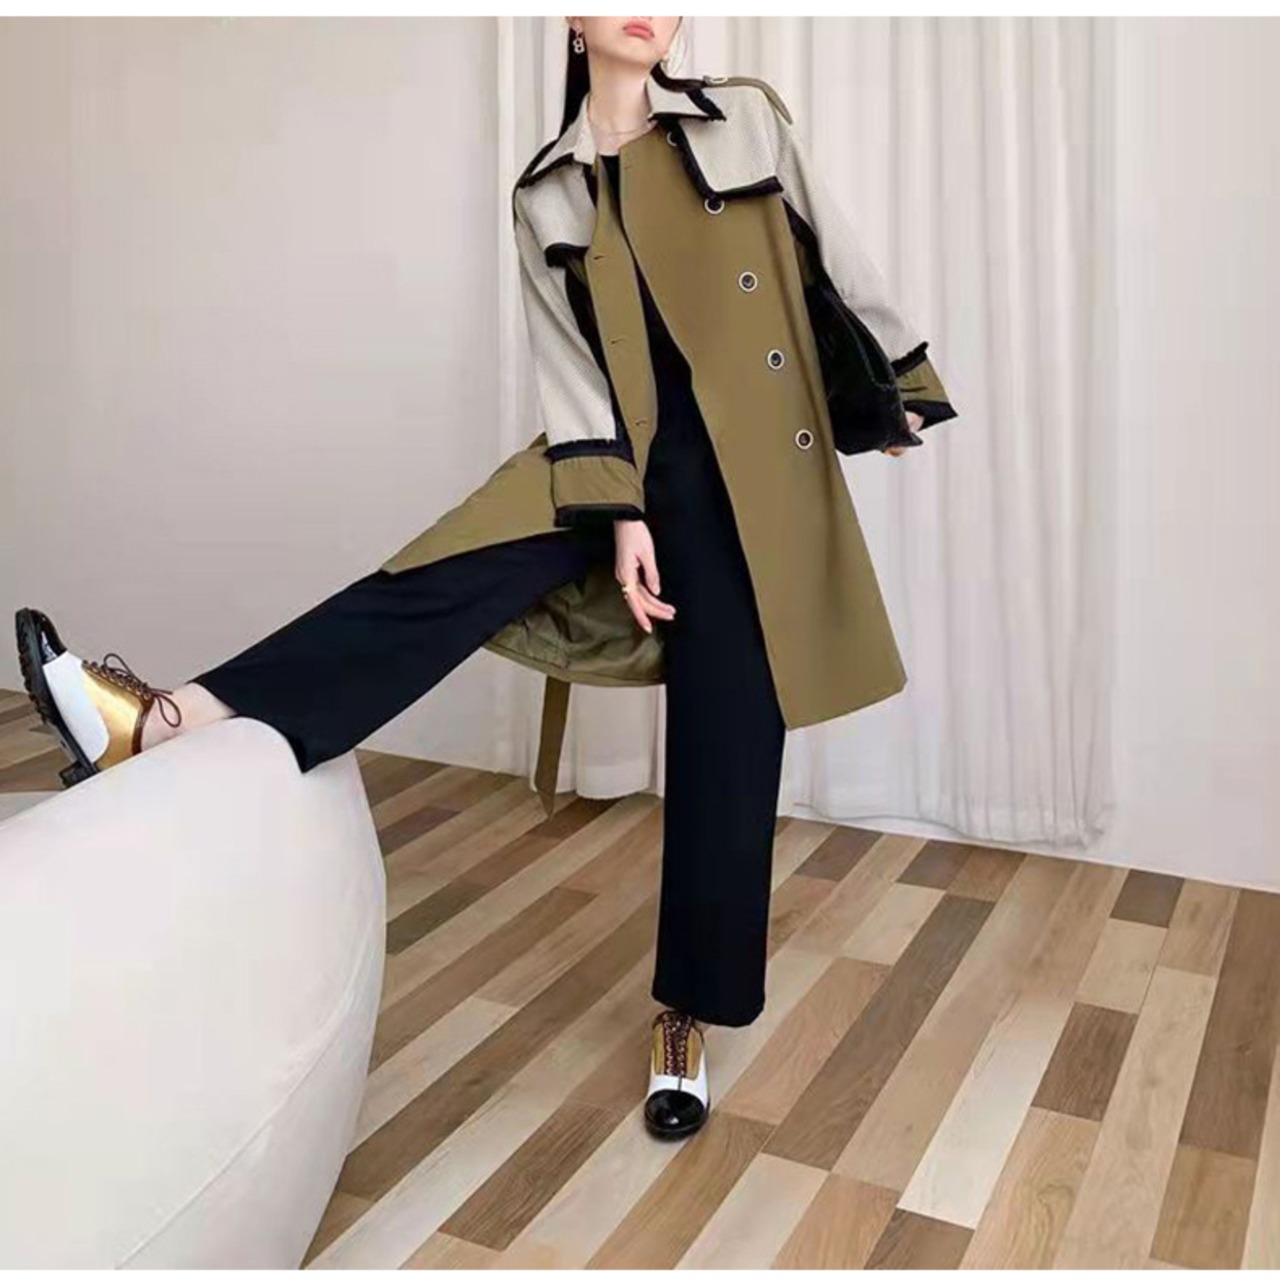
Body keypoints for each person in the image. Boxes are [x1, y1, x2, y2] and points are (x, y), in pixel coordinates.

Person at [14, 16, 957, 1142]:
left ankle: (686, 1016)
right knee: (436, 575)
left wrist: (899, 379)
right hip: (618, 457)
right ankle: (168, 716)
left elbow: (830, 250)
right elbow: (573, 368)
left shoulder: (742, 118)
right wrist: (619, 512)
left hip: (751, 472)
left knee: (728, 739)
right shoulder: (548, 188)